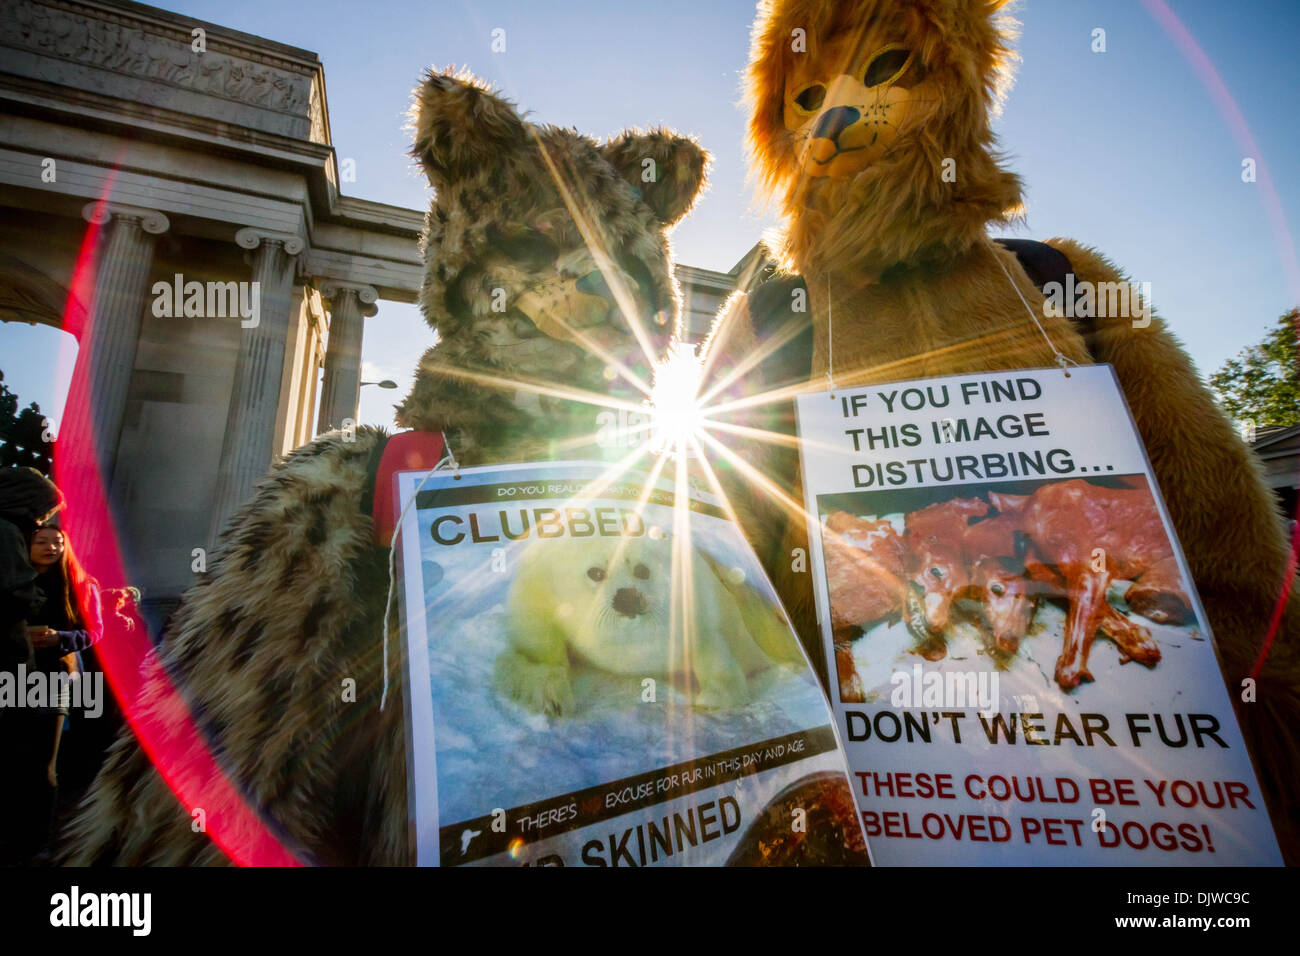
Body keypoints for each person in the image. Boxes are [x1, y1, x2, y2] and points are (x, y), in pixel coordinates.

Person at [0, 467, 64, 865]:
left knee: (37, 759)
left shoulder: (70, 582)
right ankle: (26, 841)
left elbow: (89, 630)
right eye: (41, 525)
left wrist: (62, 638)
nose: (45, 537)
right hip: (16, 669)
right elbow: (16, 594)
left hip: (48, 675)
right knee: (26, 758)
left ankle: (30, 839)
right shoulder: (7, 533)